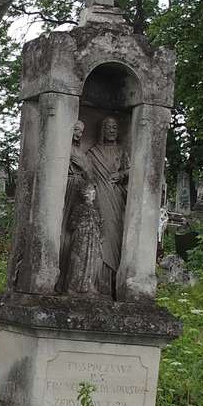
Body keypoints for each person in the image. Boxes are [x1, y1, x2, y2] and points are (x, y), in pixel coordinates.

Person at [85, 114, 129, 296]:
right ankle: (97, 281)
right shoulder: (93, 152)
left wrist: (122, 175)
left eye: (114, 128)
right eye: (108, 127)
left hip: (116, 198)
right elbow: (86, 174)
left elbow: (131, 169)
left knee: (115, 234)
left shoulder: (121, 151)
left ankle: (113, 282)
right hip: (99, 198)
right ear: (102, 130)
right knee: (100, 234)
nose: (111, 130)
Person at [62, 182, 106, 295]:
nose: (94, 194)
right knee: (78, 261)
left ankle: (89, 285)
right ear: (86, 194)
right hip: (82, 238)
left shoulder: (96, 209)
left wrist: (101, 235)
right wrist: (82, 223)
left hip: (94, 239)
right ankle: (72, 287)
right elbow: (71, 224)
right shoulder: (79, 208)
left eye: (94, 192)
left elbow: (101, 224)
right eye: (92, 192)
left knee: (93, 261)